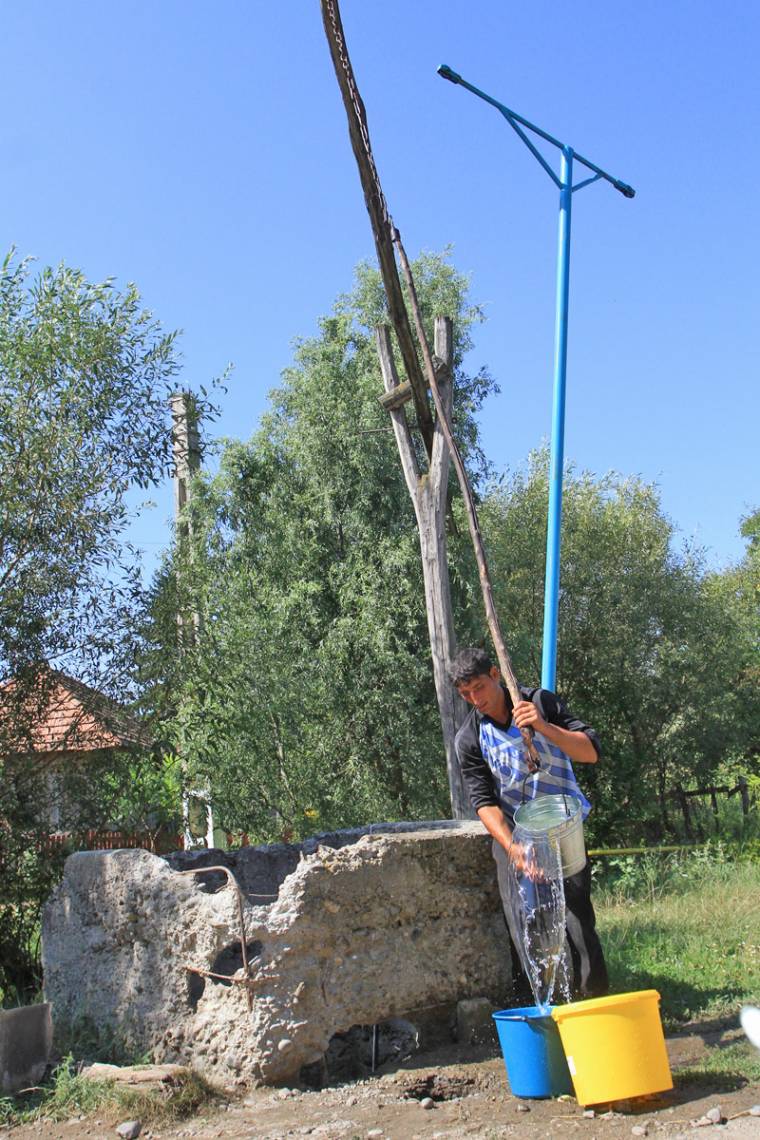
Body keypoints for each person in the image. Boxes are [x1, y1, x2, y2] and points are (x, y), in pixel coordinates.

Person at [449, 646, 609, 1000]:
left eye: (479, 688)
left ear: (495, 675)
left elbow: (590, 752)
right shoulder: (470, 737)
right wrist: (513, 848)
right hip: (515, 836)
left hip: (562, 827)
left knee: (577, 919)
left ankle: (592, 999)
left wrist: (542, 726)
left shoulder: (541, 703)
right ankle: (540, 1005)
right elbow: (484, 802)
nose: (475, 699)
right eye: (465, 694)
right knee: (526, 923)